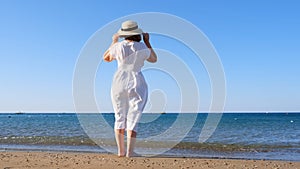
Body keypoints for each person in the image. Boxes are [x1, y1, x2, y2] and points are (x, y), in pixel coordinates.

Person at [103, 20, 157, 157]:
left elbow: (106, 58)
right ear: (137, 33)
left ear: (124, 34)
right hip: (136, 80)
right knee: (133, 117)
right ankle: (130, 152)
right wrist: (147, 41)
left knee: (119, 116)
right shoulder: (142, 47)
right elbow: (154, 59)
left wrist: (114, 41)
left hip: (119, 81)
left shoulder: (118, 46)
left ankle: (121, 151)